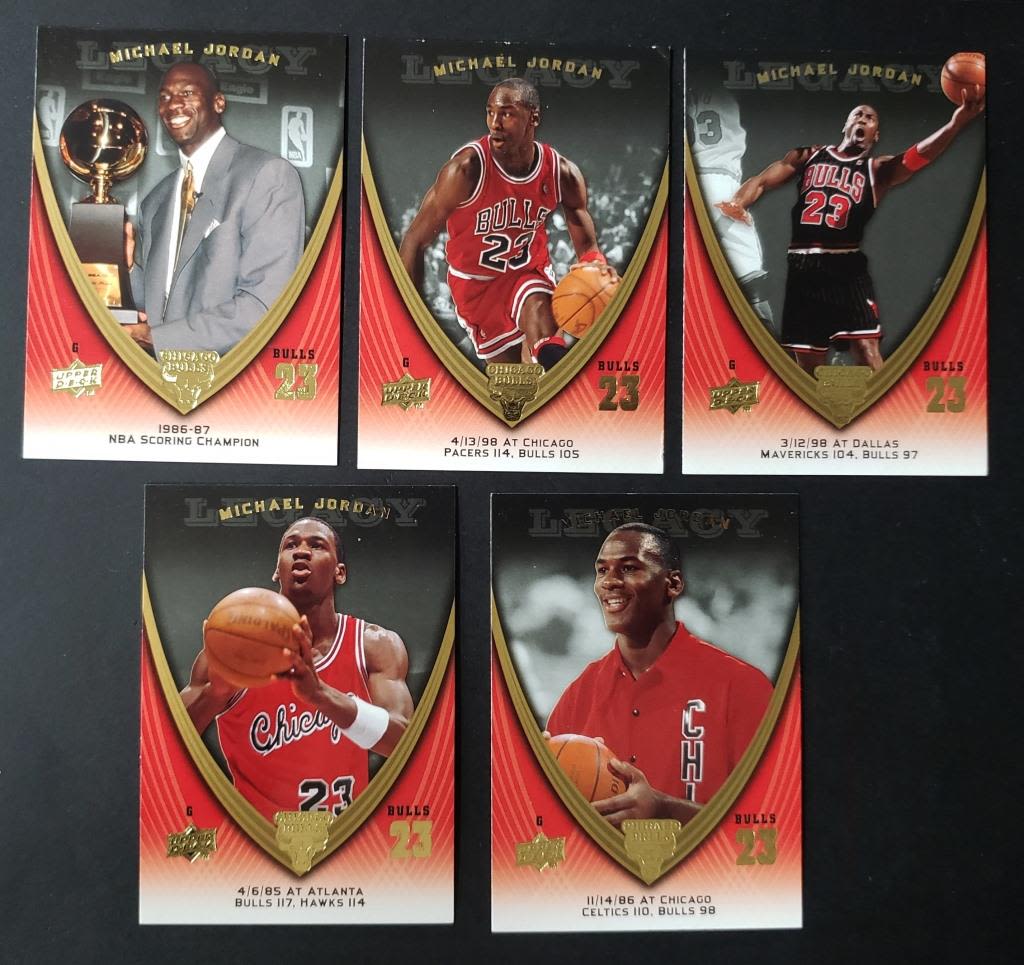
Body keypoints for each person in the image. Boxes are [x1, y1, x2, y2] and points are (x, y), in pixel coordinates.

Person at [716, 91, 984, 373]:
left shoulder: (877, 169)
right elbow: (762, 180)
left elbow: (918, 155)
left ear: (875, 135)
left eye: (870, 118)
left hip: (846, 268)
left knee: (867, 351)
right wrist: (739, 202)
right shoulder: (809, 155)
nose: (863, 118)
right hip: (802, 268)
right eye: (858, 114)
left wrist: (955, 124)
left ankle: (885, 402)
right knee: (808, 369)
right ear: (846, 125)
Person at [179, 517, 414, 823]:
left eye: (317, 545)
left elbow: (406, 744)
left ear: (340, 572)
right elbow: (163, 744)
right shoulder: (233, 651)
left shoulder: (373, 645)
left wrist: (320, 695)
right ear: (278, 569)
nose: (301, 551)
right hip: (255, 840)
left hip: (346, 839)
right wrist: (216, 694)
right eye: (291, 545)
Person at [546, 523, 772, 829]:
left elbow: (775, 824)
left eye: (629, 568)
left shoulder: (743, 687)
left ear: (673, 584)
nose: (609, 581)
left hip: (704, 863)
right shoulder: (578, 695)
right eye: (602, 570)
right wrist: (533, 777)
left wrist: (666, 810)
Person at [399, 77, 616, 369]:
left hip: (527, 271)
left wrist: (595, 266)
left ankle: (559, 368)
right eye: (490, 112)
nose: (495, 123)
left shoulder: (560, 172)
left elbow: (584, 235)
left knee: (539, 309)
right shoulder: (466, 170)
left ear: (533, 117)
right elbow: (415, 240)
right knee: (512, 377)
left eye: (507, 114)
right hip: (475, 286)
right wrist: (406, 316)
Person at [125, 62, 305, 357]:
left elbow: (266, 305)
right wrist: (127, 270)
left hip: (232, 377)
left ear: (218, 102)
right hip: (157, 378)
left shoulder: (266, 175)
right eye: (165, 97)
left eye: (187, 93)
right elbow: (161, 309)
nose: (173, 104)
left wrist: (159, 339)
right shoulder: (155, 200)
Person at [687, 89, 774, 330]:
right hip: (720, 183)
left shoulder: (677, 88)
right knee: (751, 286)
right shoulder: (726, 84)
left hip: (683, 184)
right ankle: (766, 346)